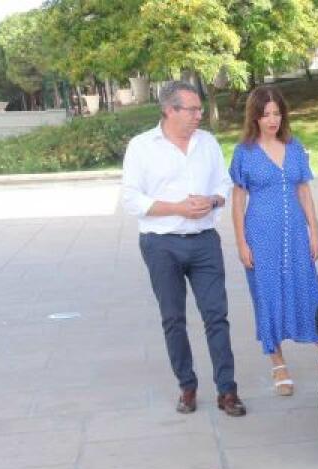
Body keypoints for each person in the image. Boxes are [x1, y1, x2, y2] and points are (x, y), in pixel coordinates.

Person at [121, 81, 245, 416]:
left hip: (204, 242)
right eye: (191, 109)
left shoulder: (207, 143)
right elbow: (131, 200)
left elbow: (224, 185)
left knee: (216, 317)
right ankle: (187, 387)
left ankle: (227, 390)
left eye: (199, 109)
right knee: (173, 318)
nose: (198, 116)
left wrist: (212, 200)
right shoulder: (142, 146)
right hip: (161, 244)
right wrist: (178, 208)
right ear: (169, 109)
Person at [229, 86, 318, 396]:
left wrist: (314, 231)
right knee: (267, 294)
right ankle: (277, 362)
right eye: (265, 114)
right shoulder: (245, 152)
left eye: (277, 113)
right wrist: (241, 242)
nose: (272, 120)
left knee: (307, 289)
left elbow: (304, 191)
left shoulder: (294, 147)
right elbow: (238, 199)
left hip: (295, 233)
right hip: (261, 235)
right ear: (254, 116)